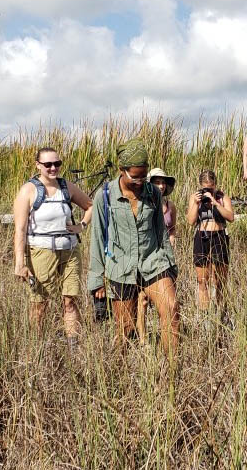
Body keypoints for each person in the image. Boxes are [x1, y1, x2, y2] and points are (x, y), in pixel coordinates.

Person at [87, 140, 179, 354]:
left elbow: (161, 232)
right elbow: (98, 237)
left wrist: (171, 267)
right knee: (125, 330)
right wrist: (97, 280)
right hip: (121, 267)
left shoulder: (153, 193)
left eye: (143, 177)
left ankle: (170, 369)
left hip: (153, 261)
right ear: (122, 170)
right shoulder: (105, 196)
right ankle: (119, 370)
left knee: (172, 310)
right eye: (135, 177)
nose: (140, 182)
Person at [12, 147, 93, 346]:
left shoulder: (67, 187)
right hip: (40, 251)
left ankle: (73, 346)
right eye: (48, 164)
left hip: (70, 250)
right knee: (40, 302)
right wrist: (20, 263)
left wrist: (81, 226)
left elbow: (90, 206)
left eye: (57, 164)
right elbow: (20, 229)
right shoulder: (28, 190)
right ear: (38, 165)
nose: (53, 168)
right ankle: (36, 346)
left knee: (70, 299)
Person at [134, 168, 178, 344]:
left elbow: (172, 228)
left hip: (165, 255)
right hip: (148, 254)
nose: (161, 186)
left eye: (163, 182)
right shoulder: (144, 203)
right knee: (142, 298)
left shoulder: (169, 205)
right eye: (157, 182)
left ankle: (165, 335)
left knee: (167, 300)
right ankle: (143, 338)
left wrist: (172, 241)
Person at [186, 170, 235, 313]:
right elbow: (190, 221)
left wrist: (215, 203)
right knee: (202, 280)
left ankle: (221, 312)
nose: (208, 190)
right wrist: (196, 203)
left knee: (220, 281)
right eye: (205, 187)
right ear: (200, 185)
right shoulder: (195, 197)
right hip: (202, 237)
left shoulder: (222, 197)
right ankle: (205, 314)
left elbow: (231, 217)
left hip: (219, 236)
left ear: (215, 185)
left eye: (211, 187)